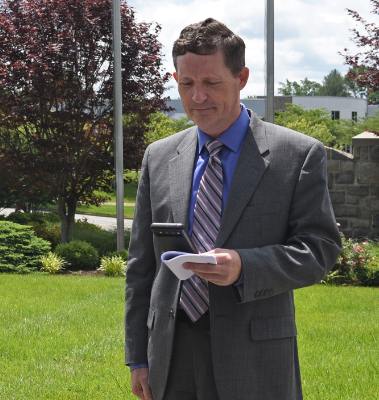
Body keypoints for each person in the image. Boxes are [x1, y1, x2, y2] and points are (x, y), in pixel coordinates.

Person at [124, 18, 341, 400]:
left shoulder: (298, 155)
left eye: (211, 83)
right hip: (170, 356)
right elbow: (142, 268)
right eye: (186, 84)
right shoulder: (157, 157)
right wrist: (138, 358)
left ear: (241, 78)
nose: (197, 97)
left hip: (254, 356)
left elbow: (320, 248)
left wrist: (245, 267)